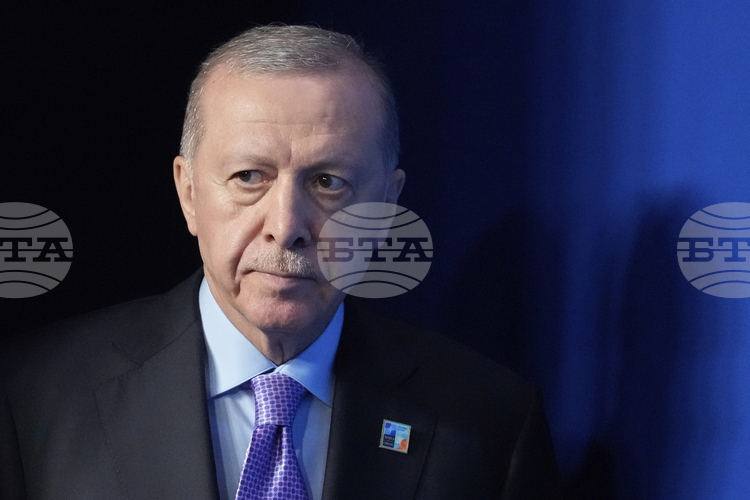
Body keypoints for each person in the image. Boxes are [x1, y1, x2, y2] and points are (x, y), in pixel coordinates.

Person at [0, 25, 558, 499]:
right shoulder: (30, 398)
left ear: (386, 206)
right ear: (189, 193)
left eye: (328, 182)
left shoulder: (493, 423)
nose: (286, 225)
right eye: (249, 177)